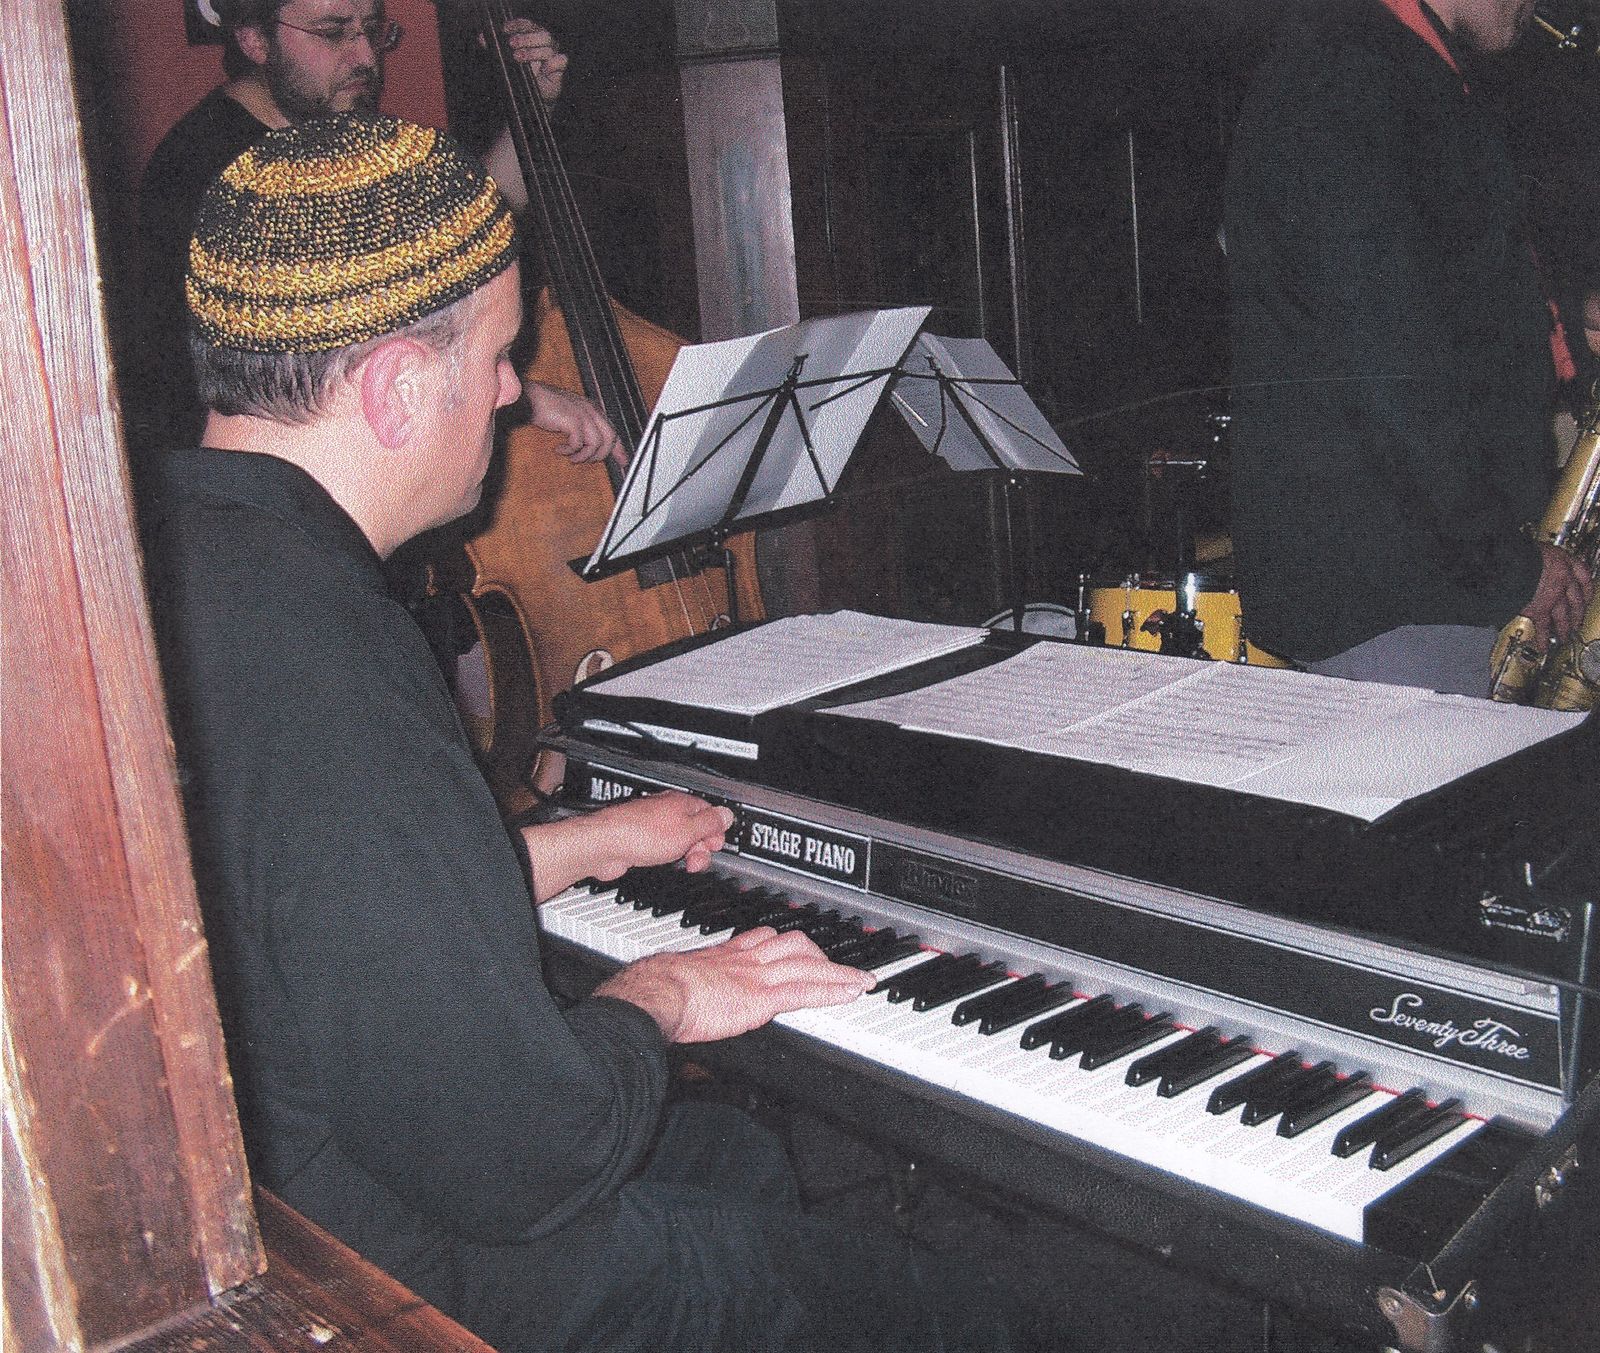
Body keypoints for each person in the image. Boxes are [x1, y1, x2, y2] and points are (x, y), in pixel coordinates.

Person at [144, 113, 1011, 1353]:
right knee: (943, 1313)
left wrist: (586, 843)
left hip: (307, 1175)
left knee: (737, 1159)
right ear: (394, 386)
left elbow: (326, 903)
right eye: (499, 357)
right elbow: (523, 1156)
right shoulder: (332, 660)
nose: (513, 393)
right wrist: (663, 993)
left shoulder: (175, 557)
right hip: (404, 1278)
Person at [1224, 0, 1593, 695]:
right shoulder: (1344, 75)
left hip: (1426, 588)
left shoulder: (1393, 70)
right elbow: (1393, 372)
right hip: (1402, 600)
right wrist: (1511, 569)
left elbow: (1442, 310)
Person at [129, 0, 582, 456]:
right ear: (255, 40)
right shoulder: (205, 172)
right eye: (333, 33)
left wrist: (532, 108)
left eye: (372, 29)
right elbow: (305, 374)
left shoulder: (334, 130)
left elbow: (475, 218)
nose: (365, 57)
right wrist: (516, 396)